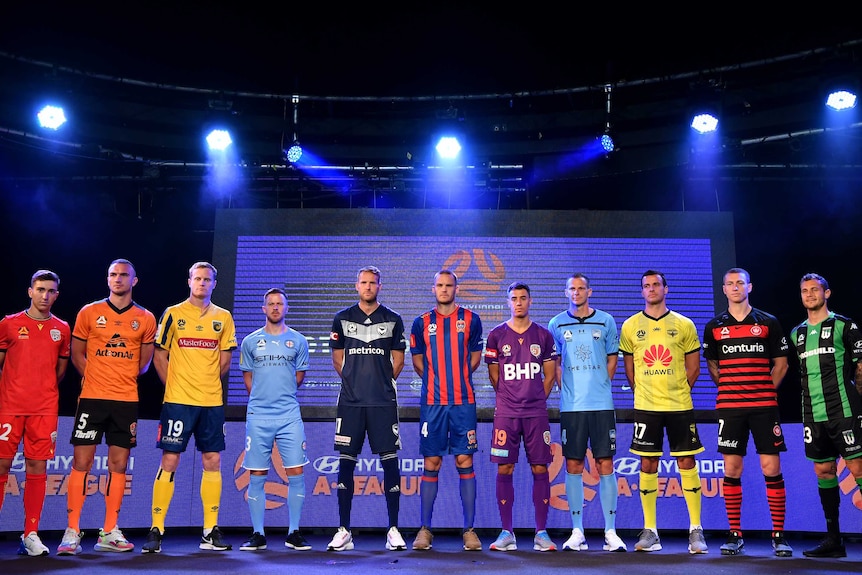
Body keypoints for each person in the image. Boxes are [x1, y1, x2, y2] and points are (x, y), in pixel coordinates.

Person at [58, 259, 157, 555]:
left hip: (126, 400)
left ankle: (109, 531)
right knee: (82, 463)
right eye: (113, 275)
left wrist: (120, 377)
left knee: (119, 465)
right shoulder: (89, 312)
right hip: (92, 398)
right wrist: (99, 377)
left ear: (134, 281)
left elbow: (144, 362)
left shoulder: (146, 318)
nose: (117, 279)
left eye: (123, 275)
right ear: (107, 279)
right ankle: (72, 530)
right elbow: (77, 354)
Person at [141, 261, 237, 554]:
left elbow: (224, 361)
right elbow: (159, 356)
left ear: (214, 284)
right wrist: (176, 386)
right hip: (178, 402)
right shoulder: (172, 313)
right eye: (197, 278)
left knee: (212, 461)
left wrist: (204, 382)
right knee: (170, 460)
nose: (202, 283)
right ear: (189, 281)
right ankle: (156, 529)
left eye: (207, 280)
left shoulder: (224, 317)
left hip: (210, 402)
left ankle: (210, 530)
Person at [701, 268, 792, 557]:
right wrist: (732, 387)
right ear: (724, 289)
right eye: (730, 284)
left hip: (764, 407)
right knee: (732, 469)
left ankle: (778, 535)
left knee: (771, 468)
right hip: (730, 406)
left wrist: (765, 390)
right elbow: (713, 367)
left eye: (740, 282)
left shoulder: (768, 322)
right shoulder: (715, 326)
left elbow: (781, 365)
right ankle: (735, 534)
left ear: (749, 286)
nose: (735, 287)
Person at [619, 269, 707, 554]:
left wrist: (679, 390)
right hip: (646, 407)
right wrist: (644, 393)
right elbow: (629, 371)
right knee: (647, 465)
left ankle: (696, 530)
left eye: (656, 284)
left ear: (666, 289)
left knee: (686, 464)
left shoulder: (684, 324)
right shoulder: (631, 326)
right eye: (646, 285)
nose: (652, 289)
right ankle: (651, 531)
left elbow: (694, 368)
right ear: (642, 291)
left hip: (680, 405)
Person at [327, 266, 407, 551]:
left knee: (390, 462)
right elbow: (338, 361)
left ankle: (393, 529)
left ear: (380, 286)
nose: (368, 286)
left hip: (383, 402)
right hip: (350, 403)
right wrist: (354, 382)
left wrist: (381, 384)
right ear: (356, 285)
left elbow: (398, 362)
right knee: (346, 462)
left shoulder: (393, 319)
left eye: (373, 282)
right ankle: (344, 530)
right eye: (364, 282)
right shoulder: (342, 319)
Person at [548, 273, 626, 552]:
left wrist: (599, 385)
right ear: (566, 292)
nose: (577, 292)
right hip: (572, 407)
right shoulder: (556, 323)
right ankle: (577, 530)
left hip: (602, 404)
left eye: (581, 288)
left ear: (589, 292)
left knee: (605, 464)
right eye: (572, 288)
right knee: (573, 465)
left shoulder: (605, 320)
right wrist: (566, 388)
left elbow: (612, 357)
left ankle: (610, 531)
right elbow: (556, 363)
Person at [409, 270, 484, 552]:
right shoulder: (421, 323)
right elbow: (418, 362)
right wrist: (437, 380)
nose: (444, 289)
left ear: (456, 288)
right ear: (433, 289)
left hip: (463, 402)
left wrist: (458, 377)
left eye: (448, 285)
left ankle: (469, 531)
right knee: (432, 463)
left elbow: (474, 358)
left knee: (464, 460)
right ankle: (425, 530)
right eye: (439, 285)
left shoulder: (471, 320)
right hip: (432, 403)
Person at [790, 272, 862, 558]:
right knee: (823, 470)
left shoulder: (845, 326)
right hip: (813, 414)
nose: (809, 294)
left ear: (826, 293)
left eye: (815, 290)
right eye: (805, 290)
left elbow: (860, 369)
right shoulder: (797, 334)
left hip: (844, 411)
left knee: (858, 469)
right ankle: (834, 540)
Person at [0, 270, 71, 556]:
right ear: (30, 291)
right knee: (2, 465)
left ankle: (30, 533)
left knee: (37, 469)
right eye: (40, 289)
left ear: (56, 294)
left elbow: (60, 370)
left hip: (44, 410)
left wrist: (41, 391)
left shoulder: (62, 328)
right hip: (10, 408)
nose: (45, 295)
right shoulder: (8, 324)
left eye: (51, 291)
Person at [484, 281, 558, 552]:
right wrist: (510, 397)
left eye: (523, 298)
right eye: (514, 298)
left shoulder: (543, 335)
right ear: (508, 302)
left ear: (530, 301)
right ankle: (507, 533)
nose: (518, 302)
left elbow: (549, 376)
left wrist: (536, 398)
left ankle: (541, 533)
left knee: (540, 468)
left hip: (536, 414)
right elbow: (494, 376)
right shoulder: (495, 335)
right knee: (505, 468)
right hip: (506, 413)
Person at [238, 288, 312, 552]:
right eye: (270, 304)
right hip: (259, 416)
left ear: (286, 308)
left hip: (289, 415)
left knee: (296, 473)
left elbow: (299, 377)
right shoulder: (250, 342)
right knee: (257, 474)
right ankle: (258, 534)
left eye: (279, 303)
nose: (275, 307)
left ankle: (294, 532)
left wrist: (280, 396)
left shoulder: (299, 341)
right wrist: (262, 398)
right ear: (263, 309)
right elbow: (248, 377)